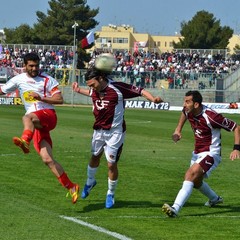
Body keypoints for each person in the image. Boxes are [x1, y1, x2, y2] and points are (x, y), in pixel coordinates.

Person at [72, 65, 163, 208]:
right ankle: (90, 182)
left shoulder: (117, 88)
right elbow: (90, 92)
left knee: (111, 163)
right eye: (89, 86)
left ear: (101, 78)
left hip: (115, 132)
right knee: (95, 156)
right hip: (98, 131)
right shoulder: (95, 89)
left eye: (93, 84)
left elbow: (140, 91)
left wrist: (153, 99)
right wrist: (78, 90)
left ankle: (110, 194)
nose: (92, 88)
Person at [0, 52, 79, 204]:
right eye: (31, 66)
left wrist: (41, 98)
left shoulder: (47, 79)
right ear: (25, 66)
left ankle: (25, 140)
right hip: (37, 124)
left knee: (26, 117)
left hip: (47, 115)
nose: (35, 68)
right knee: (47, 159)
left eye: (36, 65)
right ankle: (71, 186)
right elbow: (2, 90)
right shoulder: (18, 79)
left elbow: (60, 99)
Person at [162, 90, 240, 217]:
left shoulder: (212, 117)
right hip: (197, 152)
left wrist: (236, 148)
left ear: (196, 104)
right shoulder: (189, 111)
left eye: (187, 102)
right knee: (196, 182)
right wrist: (178, 130)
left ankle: (175, 209)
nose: (184, 104)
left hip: (211, 153)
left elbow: (236, 127)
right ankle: (215, 199)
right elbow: (184, 113)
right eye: (184, 101)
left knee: (190, 175)